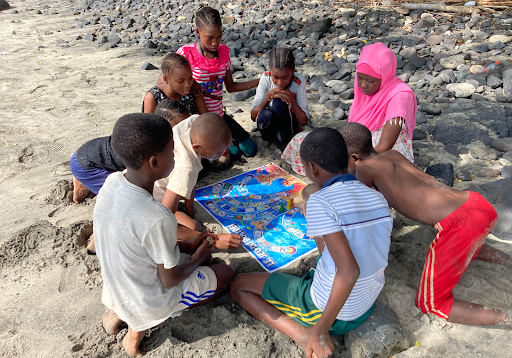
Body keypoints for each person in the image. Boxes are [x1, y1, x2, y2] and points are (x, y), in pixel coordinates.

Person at [231, 128, 393, 358]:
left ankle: (304, 335)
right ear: (348, 161)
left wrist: (321, 329)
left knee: (239, 285)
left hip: (332, 311)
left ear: (311, 168)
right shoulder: (377, 197)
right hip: (366, 303)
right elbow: (328, 253)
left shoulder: (321, 201)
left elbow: (349, 271)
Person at [339, 122, 512, 326]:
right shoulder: (393, 155)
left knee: (431, 304)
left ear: (354, 158)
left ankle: (506, 317)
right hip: (476, 204)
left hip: (460, 223)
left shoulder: (364, 170)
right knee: (467, 243)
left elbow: (359, 209)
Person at [94, 113, 236, 356]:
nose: (176, 154)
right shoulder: (156, 216)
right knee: (226, 274)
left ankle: (115, 314)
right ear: (154, 162)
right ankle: (135, 333)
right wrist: (200, 257)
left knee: (198, 253)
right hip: (148, 301)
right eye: (172, 151)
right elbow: (171, 279)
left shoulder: (112, 182)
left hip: (116, 286)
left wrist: (195, 246)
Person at [281, 41, 417, 176]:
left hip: (380, 152)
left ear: (385, 76)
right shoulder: (365, 91)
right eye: (360, 78)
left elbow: (384, 146)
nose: (363, 85)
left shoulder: (400, 96)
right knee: (304, 140)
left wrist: (353, 159)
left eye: (370, 80)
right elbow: (353, 130)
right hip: (359, 141)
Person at [70, 99, 190, 204]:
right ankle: (82, 181)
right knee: (126, 196)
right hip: (87, 165)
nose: (186, 134)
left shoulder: (152, 139)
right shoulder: (143, 148)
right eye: (180, 129)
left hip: (94, 151)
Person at [177, 6, 259, 159]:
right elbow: (169, 80)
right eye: (209, 37)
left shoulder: (223, 52)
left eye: (219, 36)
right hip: (199, 119)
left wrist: (259, 82)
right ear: (197, 32)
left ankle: (227, 145)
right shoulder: (186, 53)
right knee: (227, 155)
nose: (215, 42)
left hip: (219, 115)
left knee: (250, 149)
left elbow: (230, 86)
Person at [154, 112, 241, 250]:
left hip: (162, 190)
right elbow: (163, 218)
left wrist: (190, 211)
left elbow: (192, 183)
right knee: (194, 227)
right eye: (217, 152)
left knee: (191, 221)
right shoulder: (185, 169)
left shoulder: (194, 122)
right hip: (155, 205)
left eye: (225, 148)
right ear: (196, 148)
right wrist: (210, 239)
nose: (223, 154)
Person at [250, 48, 309, 144]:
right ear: (270, 70)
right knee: (265, 114)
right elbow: (253, 115)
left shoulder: (298, 80)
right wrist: (268, 98)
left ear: (293, 70)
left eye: (285, 78)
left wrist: (291, 98)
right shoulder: (265, 79)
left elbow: (303, 121)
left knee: (279, 102)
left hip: (292, 128)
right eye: (275, 77)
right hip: (272, 125)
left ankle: (287, 141)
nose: (280, 83)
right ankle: (272, 141)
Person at [142, 52, 207, 115]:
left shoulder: (192, 90)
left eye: (190, 78)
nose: (187, 85)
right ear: (166, 79)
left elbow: (206, 117)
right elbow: (148, 124)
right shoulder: (153, 97)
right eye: (181, 81)